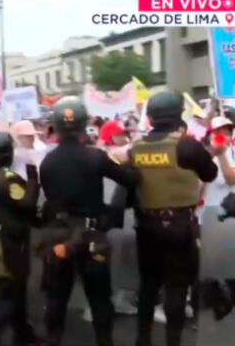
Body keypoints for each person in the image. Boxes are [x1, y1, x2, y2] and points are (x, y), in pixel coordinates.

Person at [39, 97, 140, 346]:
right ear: (85, 125)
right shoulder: (96, 157)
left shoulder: (47, 162)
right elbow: (130, 180)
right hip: (92, 236)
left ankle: (53, 340)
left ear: (56, 126)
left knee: (56, 297)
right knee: (99, 298)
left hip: (59, 235)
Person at [131, 92, 217, 346]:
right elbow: (210, 174)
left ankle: (142, 340)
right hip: (179, 225)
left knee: (148, 286)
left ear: (150, 117)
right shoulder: (186, 145)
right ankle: (173, 341)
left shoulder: (136, 147)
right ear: (180, 115)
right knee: (176, 287)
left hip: (146, 225)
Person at [0, 131, 42, 345]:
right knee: (11, 292)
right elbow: (27, 203)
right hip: (11, 241)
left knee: (11, 291)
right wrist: (33, 178)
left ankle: (22, 333)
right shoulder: (6, 178)